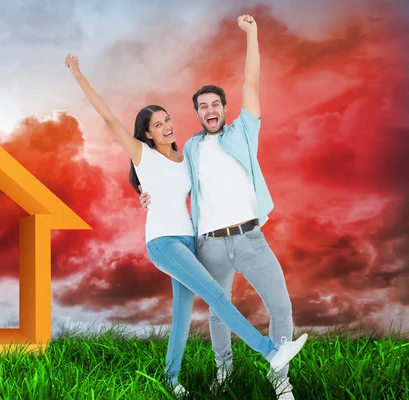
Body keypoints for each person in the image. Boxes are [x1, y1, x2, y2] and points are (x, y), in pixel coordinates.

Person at [65, 44, 307, 398]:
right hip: (171, 242)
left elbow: (203, 182)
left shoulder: (190, 153)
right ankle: (266, 352)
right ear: (147, 133)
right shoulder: (150, 152)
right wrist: (78, 75)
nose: (165, 126)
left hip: (200, 240)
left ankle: (172, 377)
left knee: (183, 316)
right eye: (157, 124)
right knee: (216, 300)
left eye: (167, 120)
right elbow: (110, 120)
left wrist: (142, 193)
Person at [138, 15, 299, 399]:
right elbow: (167, 177)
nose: (209, 110)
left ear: (225, 108)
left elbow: (252, 81)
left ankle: (280, 378)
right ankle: (223, 371)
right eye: (202, 106)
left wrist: (252, 34)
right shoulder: (190, 148)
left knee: (281, 306)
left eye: (215, 104)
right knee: (215, 309)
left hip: (249, 237)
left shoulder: (244, 132)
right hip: (208, 243)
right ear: (196, 113)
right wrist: (147, 195)